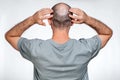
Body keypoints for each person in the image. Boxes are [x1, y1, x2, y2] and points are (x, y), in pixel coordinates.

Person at [5, 2, 112, 80]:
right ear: (72, 22)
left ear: (50, 21)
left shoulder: (35, 49)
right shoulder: (86, 48)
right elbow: (107, 33)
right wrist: (87, 19)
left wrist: (32, 19)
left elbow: (10, 36)